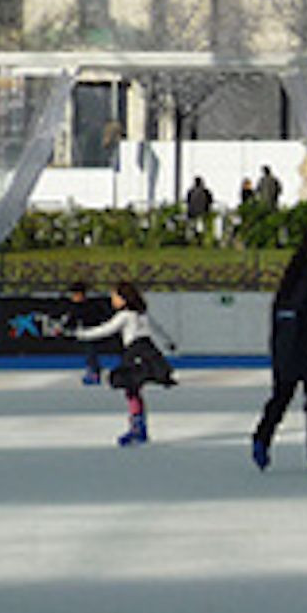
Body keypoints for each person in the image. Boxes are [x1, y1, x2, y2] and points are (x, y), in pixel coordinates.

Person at [251, 234, 307, 472]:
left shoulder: (289, 283)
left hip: (286, 351)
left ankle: (262, 437)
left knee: (281, 398)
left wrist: (279, 351)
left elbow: (279, 321)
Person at [73, 281, 177, 445]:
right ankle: (139, 426)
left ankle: (138, 428)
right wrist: (168, 342)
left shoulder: (126, 315)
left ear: (124, 299)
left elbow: (106, 329)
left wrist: (83, 335)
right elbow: (157, 328)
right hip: (149, 351)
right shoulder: (142, 313)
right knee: (133, 389)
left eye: (115, 297)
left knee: (131, 388)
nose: (112, 300)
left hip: (135, 351)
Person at [65, 280, 110, 386]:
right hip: (86, 334)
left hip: (94, 333)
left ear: (81, 294)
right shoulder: (75, 307)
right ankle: (94, 369)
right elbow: (71, 321)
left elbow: (100, 318)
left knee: (91, 350)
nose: (73, 297)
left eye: (75, 294)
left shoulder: (91, 306)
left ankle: (94, 372)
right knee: (89, 351)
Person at [184, 176, 214, 241]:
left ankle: (192, 239)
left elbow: (187, 201)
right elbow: (210, 201)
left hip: (192, 213)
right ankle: (200, 238)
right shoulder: (206, 191)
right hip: (202, 213)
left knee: (193, 227)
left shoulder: (191, 191)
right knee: (200, 227)